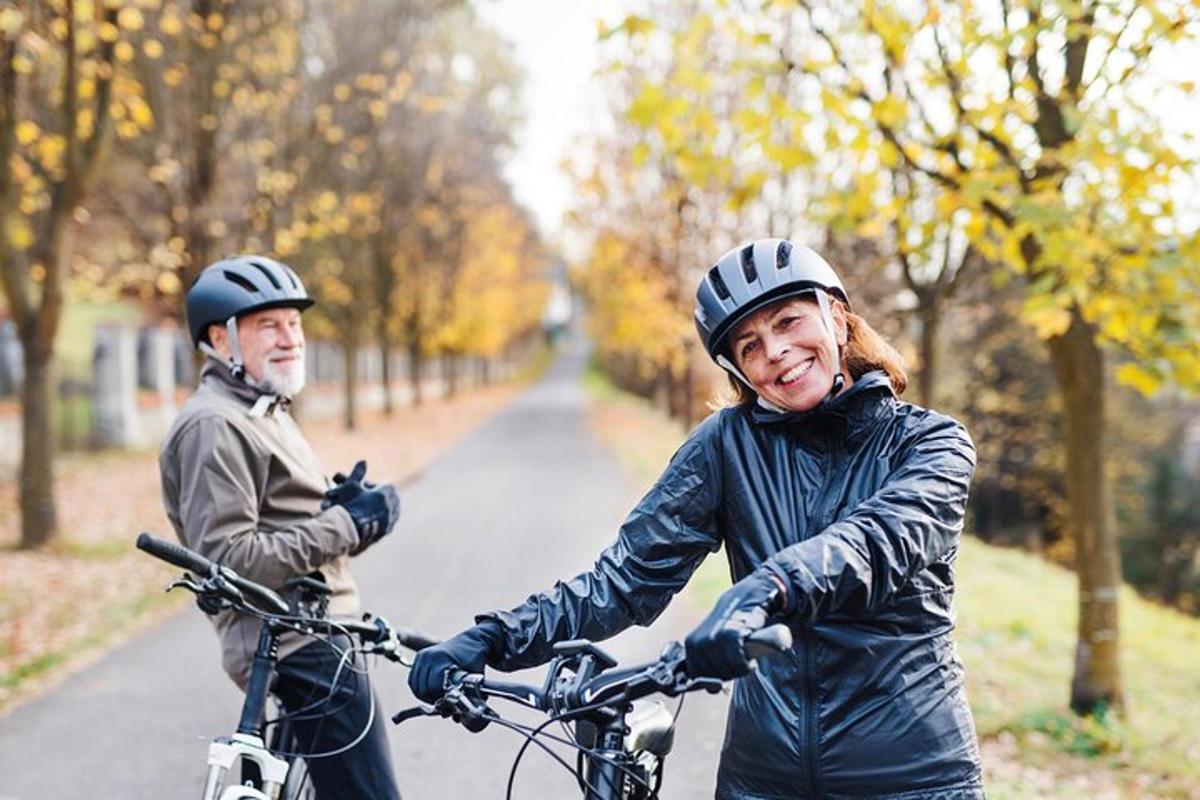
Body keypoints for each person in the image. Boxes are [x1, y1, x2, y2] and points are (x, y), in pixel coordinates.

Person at [410, 238, 985, 799]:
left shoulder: (929, 443)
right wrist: (494, 637)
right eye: (749, 346)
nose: (776, 351)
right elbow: (624, 581)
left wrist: (765, 591)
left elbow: (875, 545)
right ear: (738, 369)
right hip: (763, 778)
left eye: (787, 322)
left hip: (911, 777)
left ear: (836, 318)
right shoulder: (724, 447)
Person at [160, 255, 402, 800]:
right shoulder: (213, 425)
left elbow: (282, 525)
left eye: (294, 322)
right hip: (296, 647)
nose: (290, 337)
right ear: (222, 340)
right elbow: (229, 559)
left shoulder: (263, 410)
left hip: (318, 634)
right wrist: (345, 523)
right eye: (268, 324)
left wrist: (347, 513)